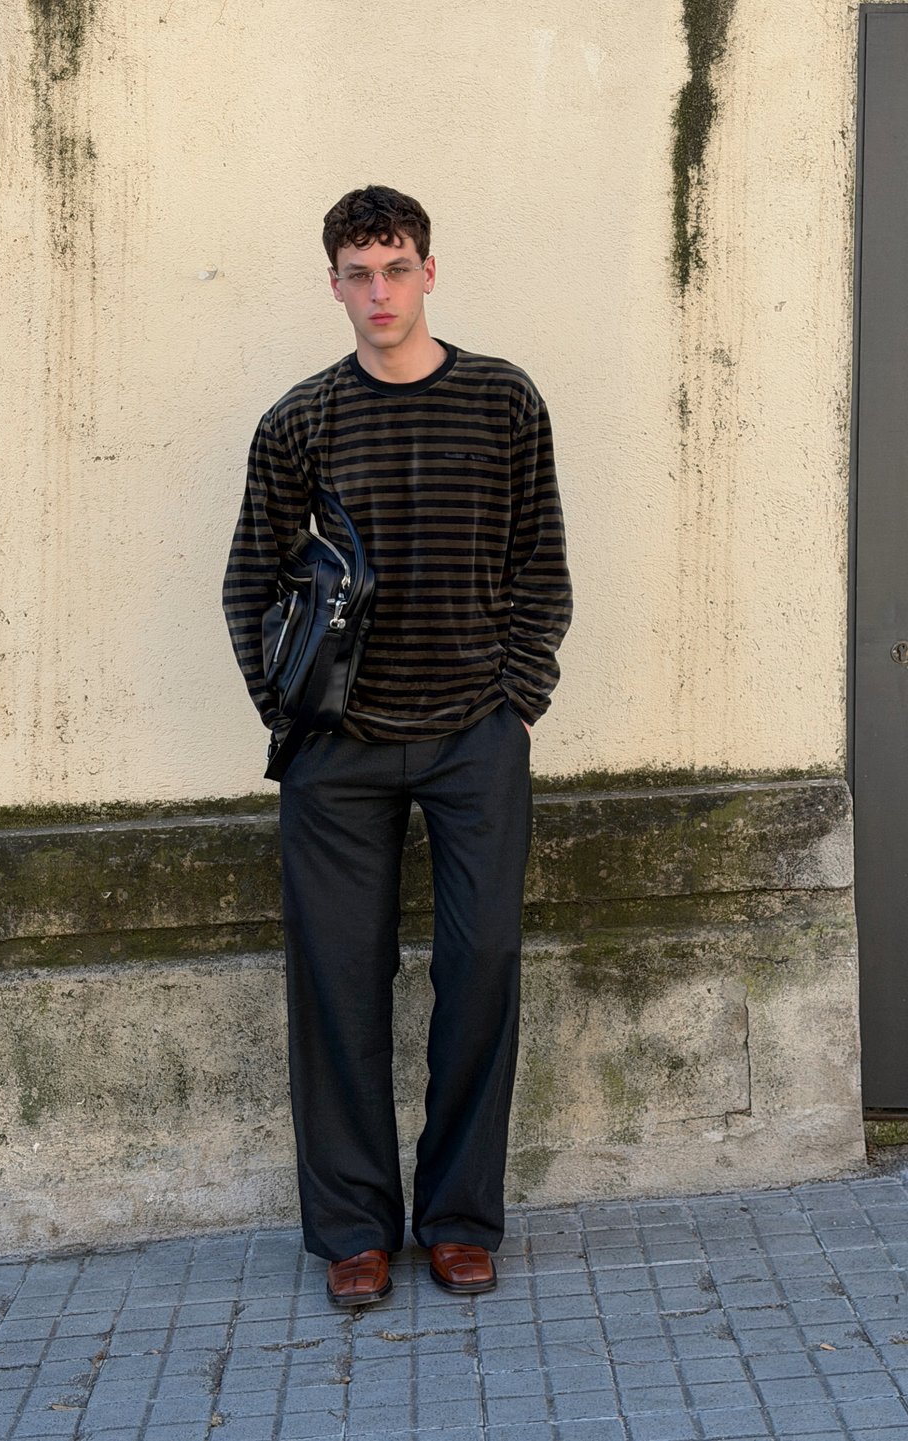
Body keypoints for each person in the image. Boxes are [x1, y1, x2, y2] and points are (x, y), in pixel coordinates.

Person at [223, 184, 572, 1307]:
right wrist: (291, 719)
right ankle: (354, 1232)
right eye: (359, 274)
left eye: (397, 268)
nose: (380, 292)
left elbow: (540, 563)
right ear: (333, 283)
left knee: (482, 968)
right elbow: (250, 583)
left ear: (429, 271)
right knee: (336, 985)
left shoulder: (503, 400)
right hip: (339, 753)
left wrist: (519, 698)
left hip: (476, 738)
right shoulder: (301, 420)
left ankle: (460, 1218)